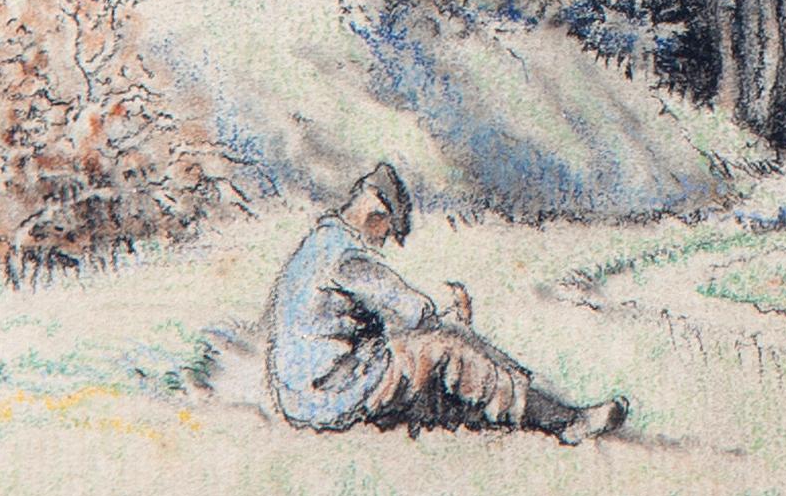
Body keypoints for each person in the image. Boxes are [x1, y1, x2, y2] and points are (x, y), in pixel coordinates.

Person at [262, 162, 626, 443]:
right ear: (378, 215)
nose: (384, 241)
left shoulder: (320, 243)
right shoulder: (346, 258)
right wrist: (454, 320)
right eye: (388, 232)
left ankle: (529, 409)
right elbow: (412, 309)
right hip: (331, 394)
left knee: (428, 355)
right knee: (448, 348)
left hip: (310, 390)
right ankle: (566, 422)